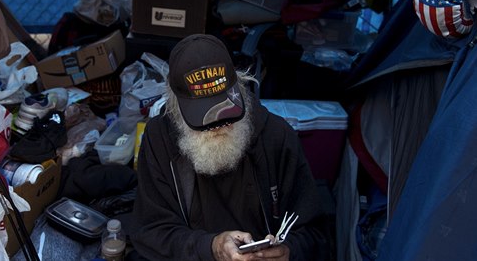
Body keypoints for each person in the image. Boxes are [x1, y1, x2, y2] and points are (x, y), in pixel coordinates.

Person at [130, 34, 333, 260]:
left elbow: (315, 233)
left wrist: (288, 251)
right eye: (204, 119)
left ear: (239, 85)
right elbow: (150, 231)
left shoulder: (277, 136)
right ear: (176, 105)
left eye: (226, 113)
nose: (218, 125)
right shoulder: (159, 139)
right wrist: (210, 247)